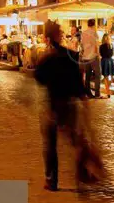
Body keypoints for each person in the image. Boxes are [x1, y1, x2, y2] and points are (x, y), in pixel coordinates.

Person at [34, 21, 104, 191]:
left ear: (46, 38)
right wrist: (85, 103)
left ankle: (52, 180)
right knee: (76, 141)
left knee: (50, 146)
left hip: (52, 107)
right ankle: (81, 173)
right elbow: (78, 85)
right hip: (68, 106)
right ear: (60, 36)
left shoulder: (47, 59)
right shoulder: (71, 56)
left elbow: (39, 78)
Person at [80, 19, 101, 98]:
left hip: (86, 57)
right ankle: (97, 94)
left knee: (87, 76)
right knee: (97, 75)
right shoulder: (94, 33)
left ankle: (88, 93)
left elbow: (82, 45)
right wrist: (98, 55)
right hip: (93, 57)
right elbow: (96, 45)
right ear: (94, 24)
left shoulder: (83, 33)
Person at [100, 32, 114, 98]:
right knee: (112, 77)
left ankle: (108, 93)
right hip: (111, 61)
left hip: (105, 61)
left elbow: (101, 54)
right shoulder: (112, 45)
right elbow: (113, 54)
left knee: (106, 78)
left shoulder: (102, 46)